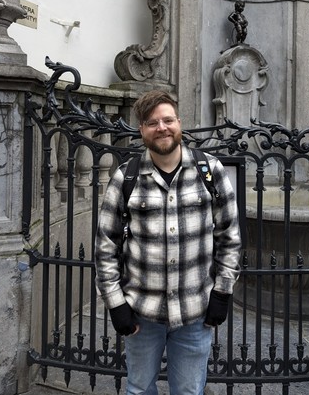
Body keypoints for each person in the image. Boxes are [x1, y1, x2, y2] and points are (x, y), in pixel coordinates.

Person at [95, 90, 241, 395]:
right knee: (139, 389)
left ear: (179, 123)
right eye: (152, 122)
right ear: (142, 131)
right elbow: (106, 247)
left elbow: (229, 237)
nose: (162, 127)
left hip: (194, 312)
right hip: (141, 313)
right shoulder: (126, 178)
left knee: (188, 392)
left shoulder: (209, 172)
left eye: (168, 120)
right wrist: (115, 304)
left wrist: (222, 293)